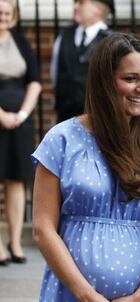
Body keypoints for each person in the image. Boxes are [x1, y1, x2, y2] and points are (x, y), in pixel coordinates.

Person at [32, 32, 140, 301]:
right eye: (130, 78)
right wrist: (86, 295)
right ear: (105, 83)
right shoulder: (62, 140)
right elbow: (42, 228)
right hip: (71, 294)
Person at [0, 0, 42, 266]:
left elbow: (35, 82)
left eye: (6, 13)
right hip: (1, 118)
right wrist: (1, 115)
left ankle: (15, 243)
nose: (2, 17)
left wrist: (22, 115)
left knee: (16, 180)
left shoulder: (21, 42)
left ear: (13, 16)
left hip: (19, 122)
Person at [50, 0, 114, 122]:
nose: (75, 7)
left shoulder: (111, 41)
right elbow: (55, 74)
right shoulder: (64, 35)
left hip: (98, 119)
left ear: (98, 9)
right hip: (65, 116)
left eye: (81, 3)